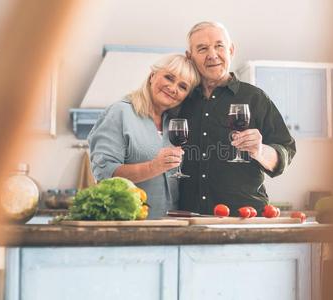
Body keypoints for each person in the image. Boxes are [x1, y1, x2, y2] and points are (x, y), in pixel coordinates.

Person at [179, 21, 296, 215]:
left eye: (219, 46)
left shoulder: (255, 98)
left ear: (231, 50)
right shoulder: (181, 100)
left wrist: (259, 151)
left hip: (244, 218)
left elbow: (286, 150)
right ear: (189, 57)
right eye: (202, 48)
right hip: (189, 219)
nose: (212, 54)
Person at [88, 54, 200, 218]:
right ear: (152, 76)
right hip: (129, 223)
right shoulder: (120, 112)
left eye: (183, 87)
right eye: (169, 78)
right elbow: (104, 174)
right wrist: (153, 167)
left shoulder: (174, 124)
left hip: (171, 227)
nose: (173, 88)